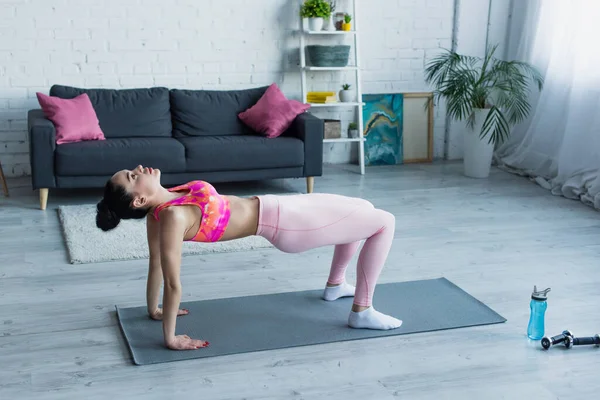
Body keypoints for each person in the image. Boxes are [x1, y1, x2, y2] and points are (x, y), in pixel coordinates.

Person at [96, 165, 402, 351]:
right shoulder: (171, 217)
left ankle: (336, 285)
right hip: (286, 224)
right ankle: (362, 310)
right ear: (139, 199)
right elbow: (171, 280)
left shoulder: (169, 200)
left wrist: (154, 310)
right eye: (133, 176)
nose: (139, 168)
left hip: (277, 206)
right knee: (384, 221)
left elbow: (153, 266)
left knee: (363, 206)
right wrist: (171, 337)